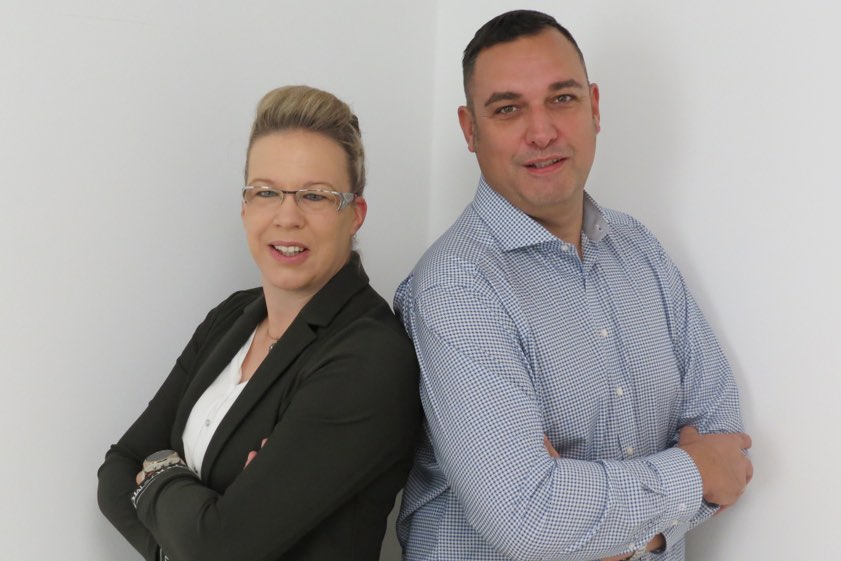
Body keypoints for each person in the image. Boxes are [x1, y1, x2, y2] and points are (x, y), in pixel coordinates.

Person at [395, 10, 752, 561]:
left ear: (594, 107)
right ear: (470, 130)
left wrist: (592, 519)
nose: (542, 132)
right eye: (508, 109)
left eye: (562, 98)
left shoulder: (640, 249)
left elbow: (724, 445)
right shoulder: (455, 287)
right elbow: (527, 519)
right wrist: (688, 480)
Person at [97, 85, 420, 561]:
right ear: (245, 207)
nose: (287, 217)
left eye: (315, 195)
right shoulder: (232, 317)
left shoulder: (369, 356)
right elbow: (118, 470)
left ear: (355, 215)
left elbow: (220, 548)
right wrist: (183, 543)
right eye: (266, 192)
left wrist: (160, 468)